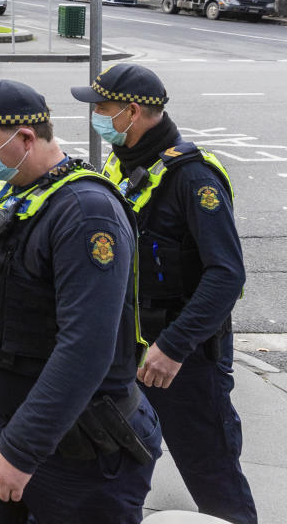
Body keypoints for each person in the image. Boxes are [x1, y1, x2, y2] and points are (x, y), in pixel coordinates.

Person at [0, 80, 161, 524]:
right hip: (1, 424)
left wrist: (21, 450)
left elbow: (86, 348)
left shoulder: (85, 212)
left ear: (25, 139)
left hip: (76, 451)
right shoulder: (21, 190)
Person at [72, 64, 256, 524]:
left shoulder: (193, 179)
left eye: (103, 108)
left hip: (183, 362)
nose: (95, 115)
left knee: (212, 475)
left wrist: (172, 348)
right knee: (112, 470)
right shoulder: (123, 161)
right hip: (127, 352)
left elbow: (227, 275)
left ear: (133, 111)